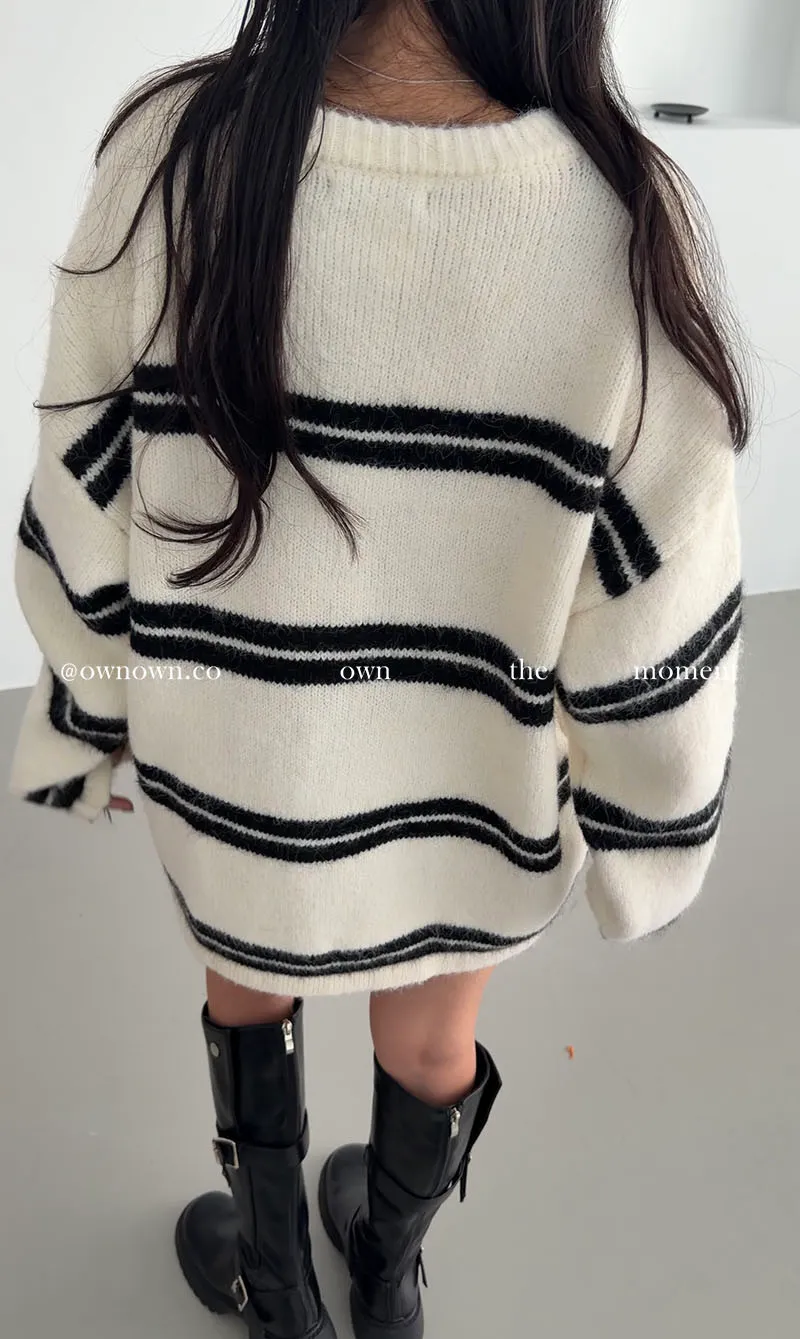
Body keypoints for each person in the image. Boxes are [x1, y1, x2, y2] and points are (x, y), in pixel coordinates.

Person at [8, 1, 753, 1337]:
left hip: (236, 787)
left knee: (249, 995)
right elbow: (661, 599)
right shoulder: (627, 219)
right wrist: (653, 839)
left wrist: (85, 718)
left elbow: (84, 491)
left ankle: (278, 1287)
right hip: (465, 808)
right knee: (430, 1040)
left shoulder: (171, 158)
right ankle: (389, 1273)